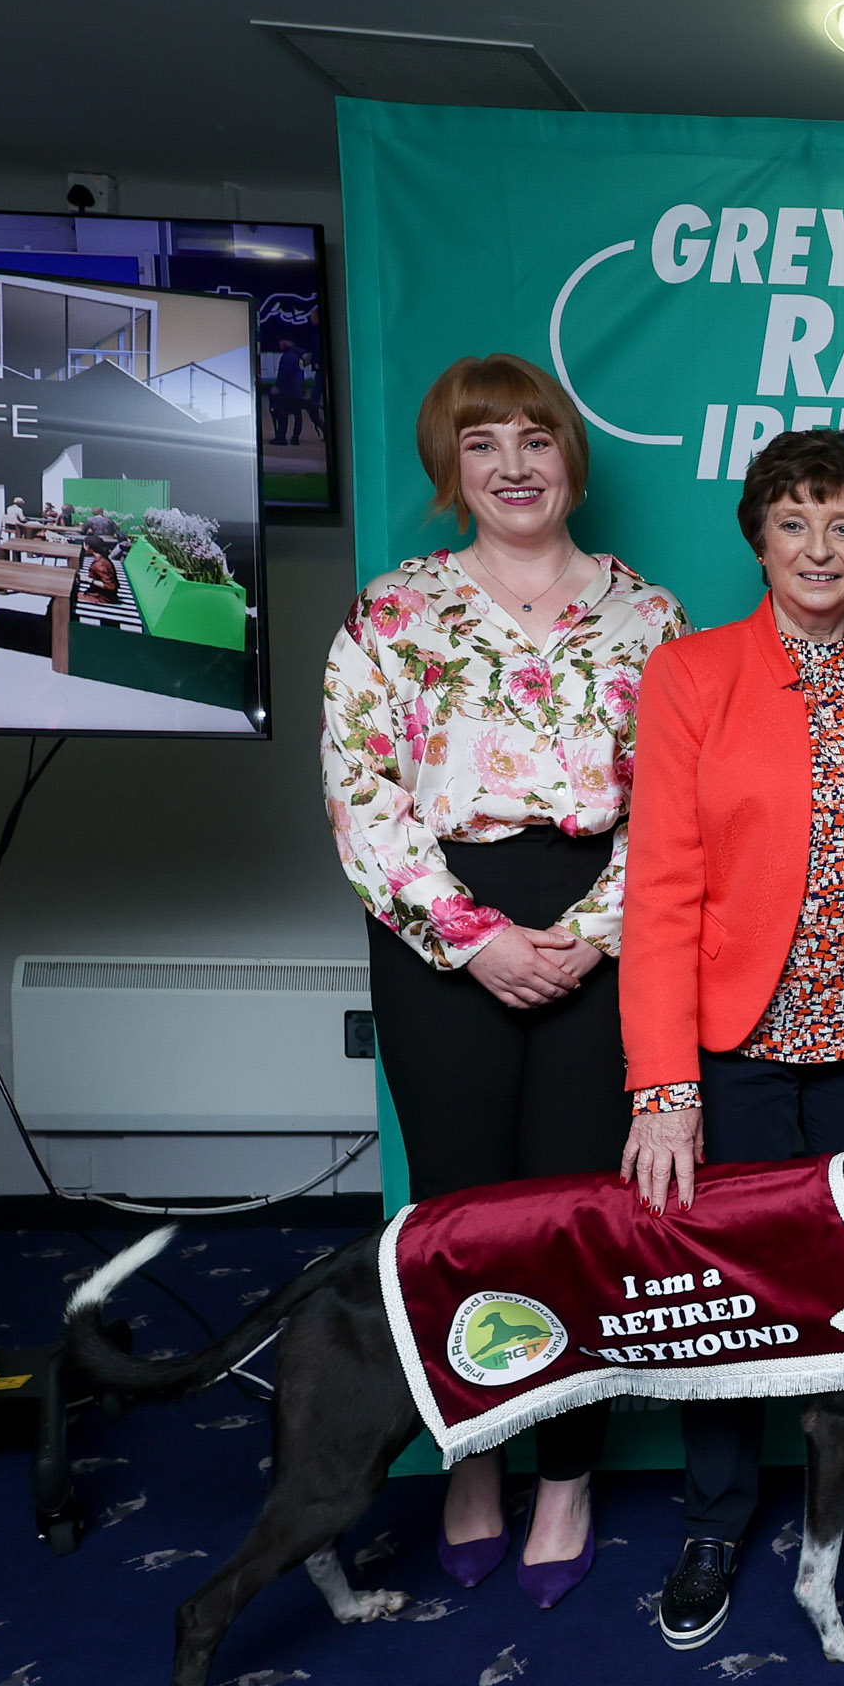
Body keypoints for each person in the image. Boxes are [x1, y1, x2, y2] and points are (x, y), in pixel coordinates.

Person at [321, 352, 688, 1608]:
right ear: (450, 469)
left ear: (570, 459)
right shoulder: (393, 612)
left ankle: (568, 1473)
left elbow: (680, 809)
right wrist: (473, 935)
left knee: (582, 1214)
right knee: (462, 1213)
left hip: (601, 921)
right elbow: (362, 794)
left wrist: (591, 929)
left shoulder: (651, 616)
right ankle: (470, 1457)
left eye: (536, 439)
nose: (514, 465)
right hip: (443, 935)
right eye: (483, 444)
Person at [621, 427, 844, 1653]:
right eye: (793, 522)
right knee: (716, 1294)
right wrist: (664, 1086)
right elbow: (662, 890)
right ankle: (719, 1516)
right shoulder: (689, 676)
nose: (818, 547)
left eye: (842, 526)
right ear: (758, 538)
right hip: (732, 1052)